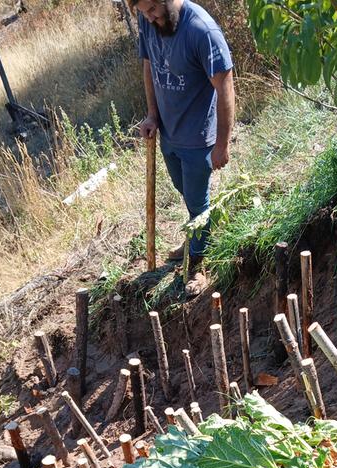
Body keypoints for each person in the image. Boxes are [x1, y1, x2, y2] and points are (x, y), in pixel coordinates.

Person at [133, 0, 235, 297]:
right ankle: (196, 236)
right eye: (143, 13)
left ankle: (199, 263)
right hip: (169, 133)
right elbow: (149, 66)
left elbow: (225, 88)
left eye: (152, 9)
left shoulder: (201, 31)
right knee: (185, 191)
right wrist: (152, 115)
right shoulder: (148, 20)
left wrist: (222, 144)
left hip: (198, 138)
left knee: (197, 201)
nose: (149, 18)